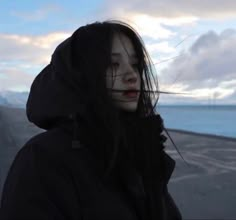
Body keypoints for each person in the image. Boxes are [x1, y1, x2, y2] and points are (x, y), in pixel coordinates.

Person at [0, 21, 182, 220]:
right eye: (113, 64)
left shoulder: (142, 150)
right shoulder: (42, 159)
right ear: (82, 75)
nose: (132, 75)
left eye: (135, 64)